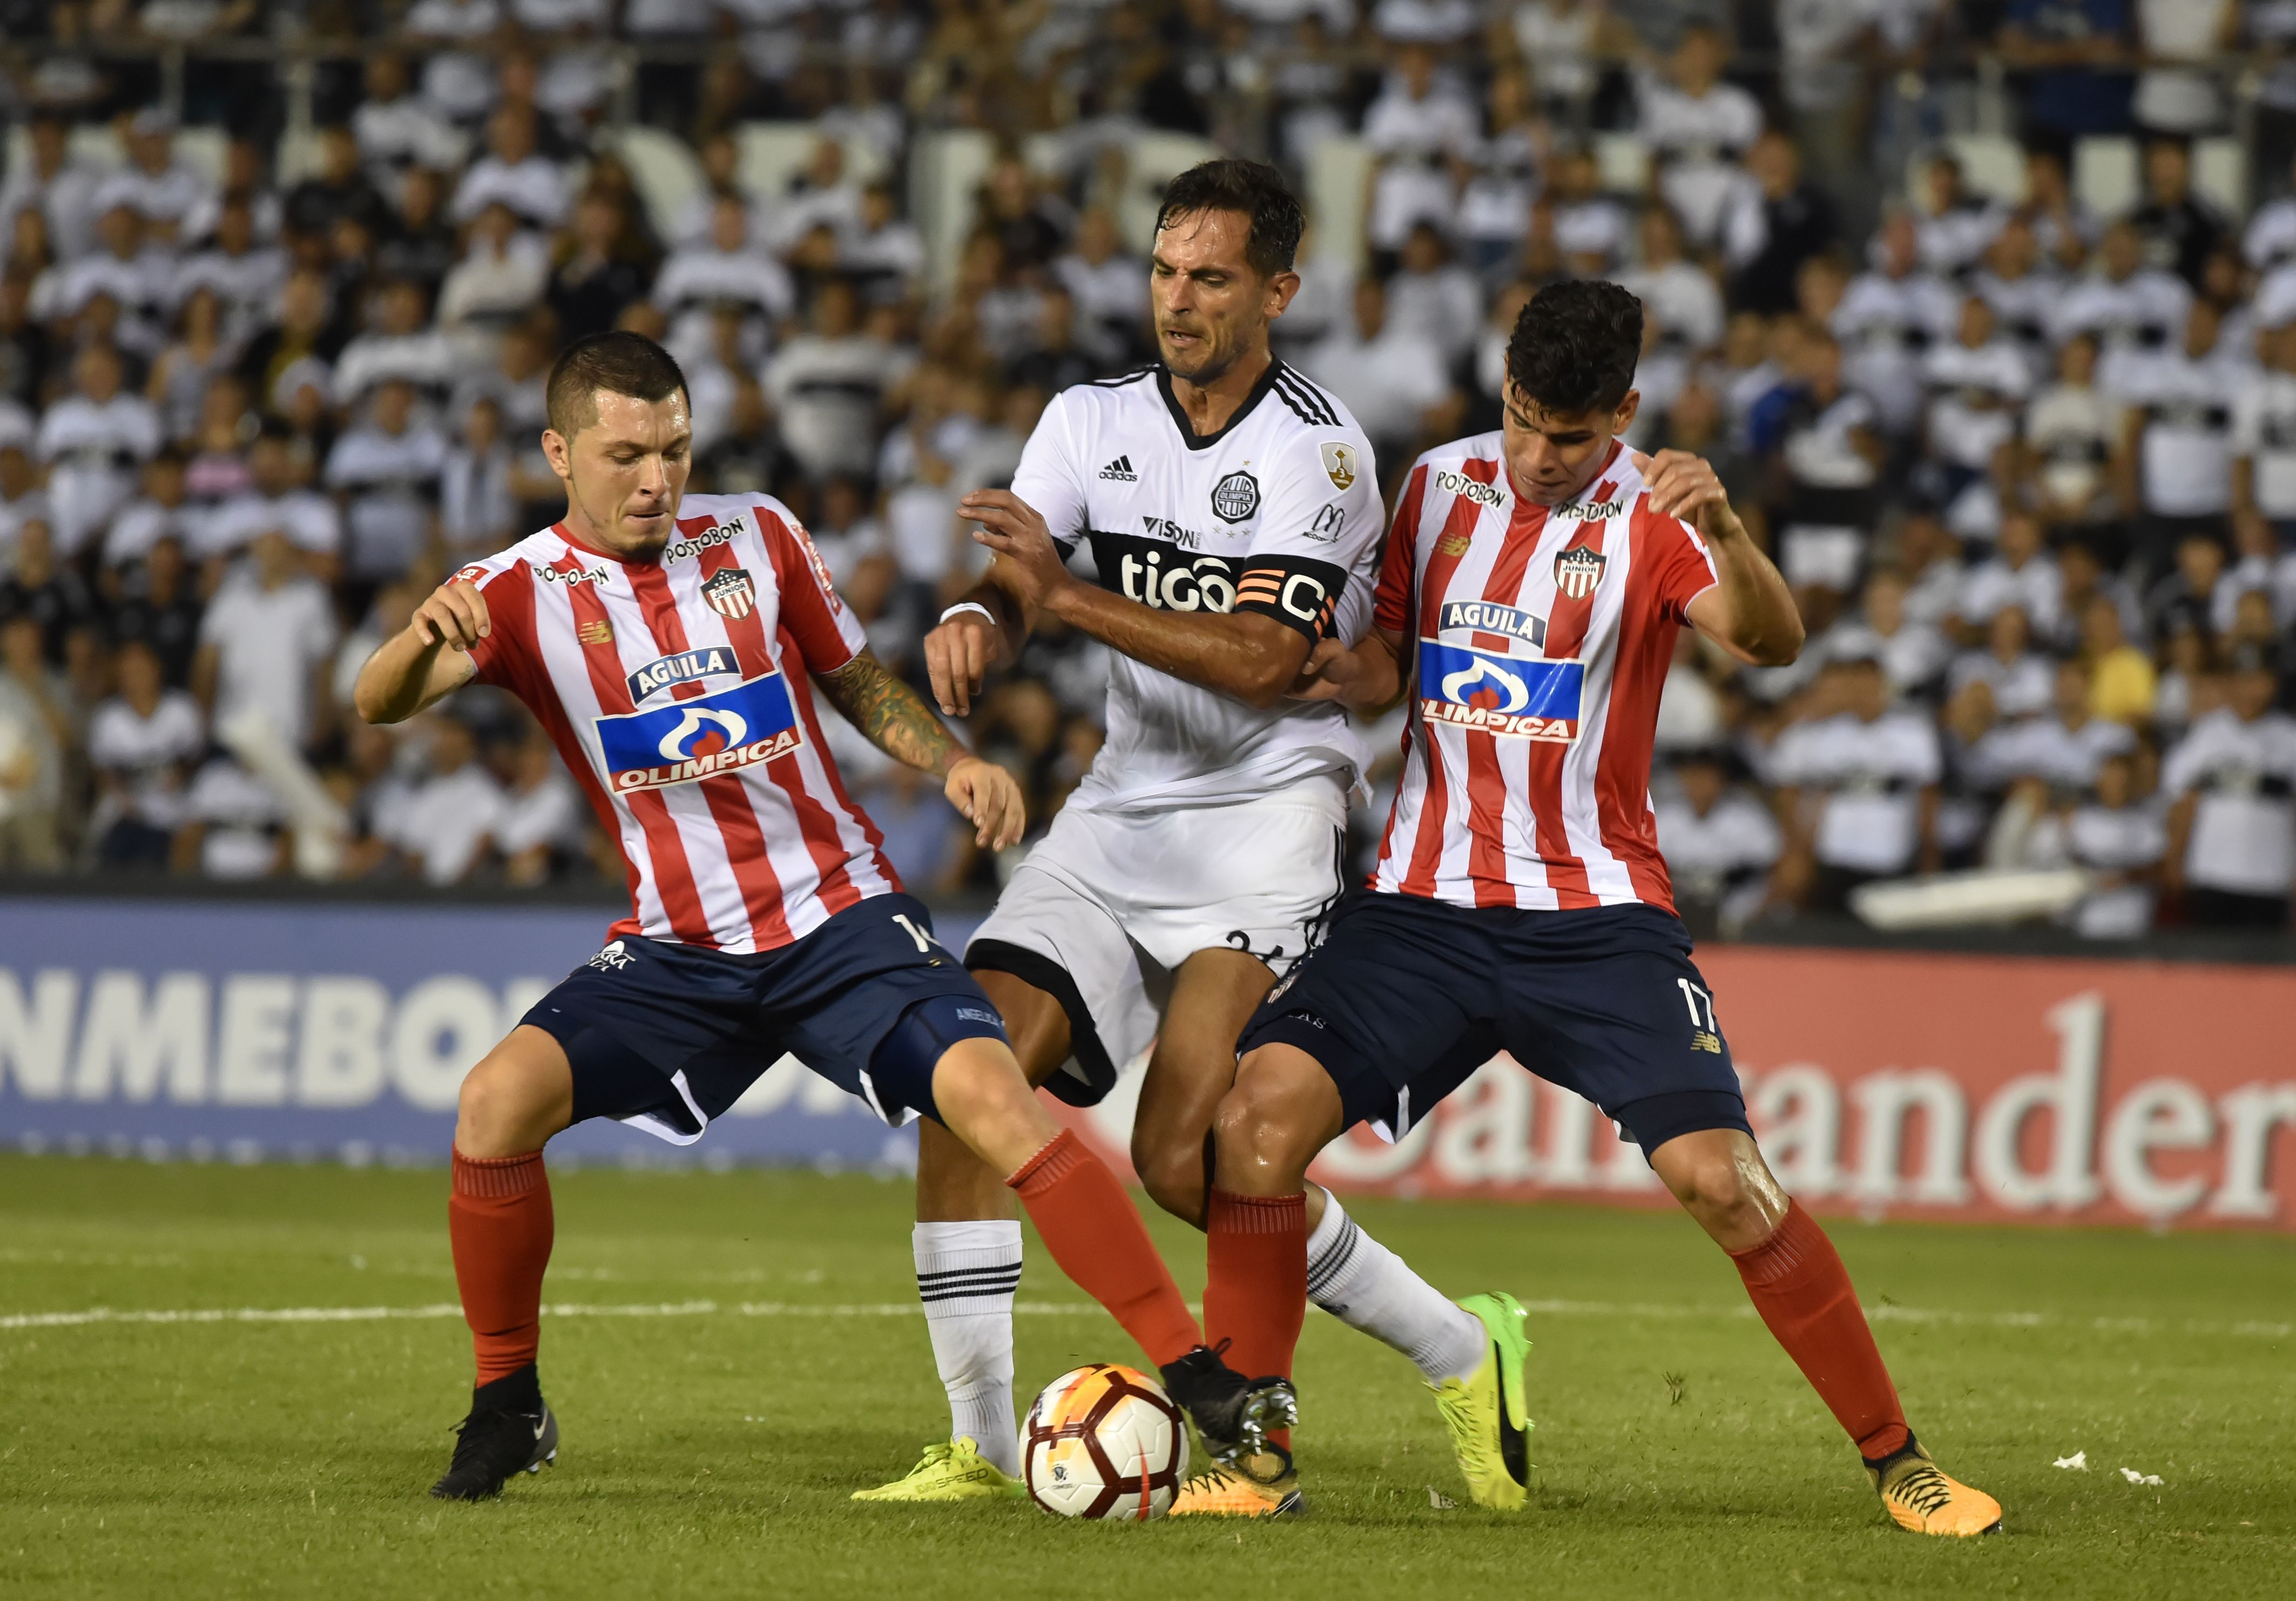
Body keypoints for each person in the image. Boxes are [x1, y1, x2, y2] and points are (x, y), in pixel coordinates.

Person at [350, 331, 1279, 1502]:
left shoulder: (757, 533)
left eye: (675, 449)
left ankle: (1189, 1367)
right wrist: (415, 640)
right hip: (682, 947)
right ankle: (506, 1404)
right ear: (558, 454)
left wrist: (947, 764)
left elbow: (854, 678)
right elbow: (377, 703)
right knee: (492, 1105)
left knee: (993, 1099)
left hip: (839, 919)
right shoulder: (511, 592)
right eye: (626, 455)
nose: (657, 480)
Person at [1197, 281, 2004, 1536]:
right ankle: (1253, 1458)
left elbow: (1768, 642)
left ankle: (1899, 1462)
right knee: (1253, 1124)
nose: (1533, 454)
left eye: (1567, 436)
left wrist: (1730, 533)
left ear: (1620, 415)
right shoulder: (1437, 485)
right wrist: (1304, 665)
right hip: (1420, 908)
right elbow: (1389, 664)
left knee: (1725, 1184)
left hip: (1596, 920)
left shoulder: (1656, 510)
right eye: (1519, 419)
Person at [869, 160, 1523, 1518]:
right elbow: (1018, 570)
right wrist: (990, 618)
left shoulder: (1316, 449)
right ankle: (979, 1443)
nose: (1177, 299)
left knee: (1188, 1156)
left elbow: (1262, 658)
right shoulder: (1088, 415)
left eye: (1210, 276)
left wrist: (1070, 598)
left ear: (1276, 290)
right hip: (1118, 812)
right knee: (964, 1077)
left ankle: (1461, 1348)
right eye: (1165, 270)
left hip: (1266, 815)